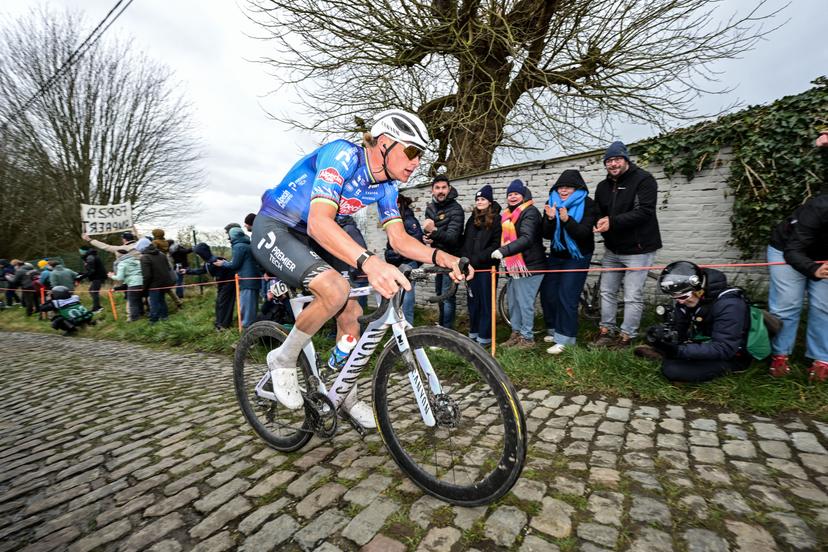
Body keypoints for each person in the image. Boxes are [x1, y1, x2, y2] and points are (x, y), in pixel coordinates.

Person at [251, 108, 470, 428]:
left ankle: (343, 393)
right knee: (335, 290)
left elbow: (399, 240)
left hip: (319, 234)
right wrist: (370, 262)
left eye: (420, 155)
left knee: (352, 321)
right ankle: (282, 358)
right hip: (279, 227)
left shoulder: (388, 187)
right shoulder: (342, 155)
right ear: (383, 143)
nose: (416, 162)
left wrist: (442, 257)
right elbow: (318, 221)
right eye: (411, 151)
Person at [766, 129, 828, 381]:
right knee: (787, 304)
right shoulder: (819, 207)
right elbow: (793, 250)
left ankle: (822, 358)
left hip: (822, 258)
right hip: (788, 251)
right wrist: (813, 269)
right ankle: (780, 355)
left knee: (824, 306)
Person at [592, 141, 662, 349]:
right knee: (606, 291)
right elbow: (598, 211)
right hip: (613, 249)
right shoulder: (603, 186)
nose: (613, 164)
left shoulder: (644, 180)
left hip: (639, 249)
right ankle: (606, 330)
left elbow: (644, 211)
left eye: (617, 159)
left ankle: (627, 335)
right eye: (609, 161)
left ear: (626, 160)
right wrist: (598, 221)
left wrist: (612, 222)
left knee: (632, 294)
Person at [635, 261, 752, 383]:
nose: (679, 302)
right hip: (705, 341)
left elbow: (724, 348)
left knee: (671, 370)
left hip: (732, 355)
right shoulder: (688, 299)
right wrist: (664, 338)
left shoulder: (730, 305)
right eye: (674, 297)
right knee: (658, 342)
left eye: (683, 297)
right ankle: (668, 355)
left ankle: (670, 358)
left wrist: (679, 351)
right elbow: (679, 329)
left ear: (699, 290)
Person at [540, 170, 601, 354]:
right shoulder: (552, 202)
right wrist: (550, 219)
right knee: (549, 293)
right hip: (557, 255)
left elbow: (583, 234)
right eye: (560, 187)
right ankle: (554, 329)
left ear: (577, 188)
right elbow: (545, 234)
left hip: (578, 256)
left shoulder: (588, 204)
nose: (563, 190)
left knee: (567, 296)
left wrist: (567, 220)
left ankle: (566, 339)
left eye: (568, 187)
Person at [492, 179, 546, 348]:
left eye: (516, 194)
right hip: (515, 267)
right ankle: (516, 333)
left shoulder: (530, 212)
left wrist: (504, 251)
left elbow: (527, 238)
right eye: (510, 194)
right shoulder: (507, 215)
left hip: (530, 266)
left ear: (523, 195)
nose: (512, 197)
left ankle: (528, 338)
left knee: (524, 303)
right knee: (513, 302)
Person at [460, 185, 501, 346]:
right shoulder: (472, 219)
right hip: (471, 270)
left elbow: (495, 244)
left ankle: (484, 337)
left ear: (489, 201)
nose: (480, 202)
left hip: (487, 268)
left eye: (483, 199)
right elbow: (465, 241)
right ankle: (474, 333)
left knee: (486, 303)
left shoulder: (497, 219)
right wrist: (465, 260)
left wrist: (477, 259)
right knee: (473, 302)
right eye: (477, 199)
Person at [423, 174, 464, 329]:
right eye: (437, 188)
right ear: (432, 190)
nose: (441, 191)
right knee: (440, 295)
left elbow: (453, 238)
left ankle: (447, 331)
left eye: (443, 188)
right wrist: (427, 238)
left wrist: (433, 231)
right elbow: (430, 235)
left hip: (451, 259)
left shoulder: (456, 209)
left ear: (449, 189)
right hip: (437, 259)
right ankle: (442, 326)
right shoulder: (431, 208)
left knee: (447, 297)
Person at [384, 194, 424, 325]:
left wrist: (395, 254)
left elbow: (416, 245)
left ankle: (408, 331)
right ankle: (398, 328)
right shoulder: (396, 221)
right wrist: (390, 254)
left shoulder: (408, 221)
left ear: (398, 204)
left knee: (406, 299)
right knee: (397, 297)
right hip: (397, 263)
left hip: (408, 263)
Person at [217, 227, 263, 328]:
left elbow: (235, 264)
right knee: (252, 308)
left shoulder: (238, 246)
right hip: (253, 280)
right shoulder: (247, 244)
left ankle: (247, 331)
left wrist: (223, 263)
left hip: (247, 281)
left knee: (246, 308)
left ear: (233, 235)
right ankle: (253, 328)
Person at [186, 243, 237, 330]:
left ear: (203, 253)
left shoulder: (216, 260)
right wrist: (187, 271)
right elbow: (201, 271)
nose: (198, 256)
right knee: (218, 303)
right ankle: (219, 322)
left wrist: (218, 277)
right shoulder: (208, 262)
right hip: (221, 285)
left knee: (224, 303)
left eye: (198, 254)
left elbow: (230, 269)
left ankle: (224, 325)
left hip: (229, 284)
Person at [138, 237, 175, 323]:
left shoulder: (144, 258)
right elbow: (168, 268)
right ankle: (165, 317)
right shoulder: (161, 254)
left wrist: (144, 287)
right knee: (162, 300)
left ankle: (154, 320)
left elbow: (147, 275)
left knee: (154, 302)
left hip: (154, 284)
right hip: (165, 282)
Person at [109, 248, 144, 321]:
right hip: (142, 282)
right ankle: (142, 313)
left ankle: (135, 319)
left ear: (119, 256)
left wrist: (111, 276)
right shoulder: (136, 260)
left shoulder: (122, 263)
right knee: (139, 299)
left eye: (116, 255)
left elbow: (119, 277)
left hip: (133, 283)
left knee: (132, 302)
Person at [76, 245, 108, 313]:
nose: (80, 253)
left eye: (80, 251)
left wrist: (81, 277)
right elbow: (90, 270)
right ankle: (98, 306)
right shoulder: (89, 257)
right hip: (97, 276)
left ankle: (97, 308)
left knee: (94, 291)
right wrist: (81, 273)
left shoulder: (90, 257)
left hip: (98, 277)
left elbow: (91, 271)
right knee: (92, 291)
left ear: (84, 251)